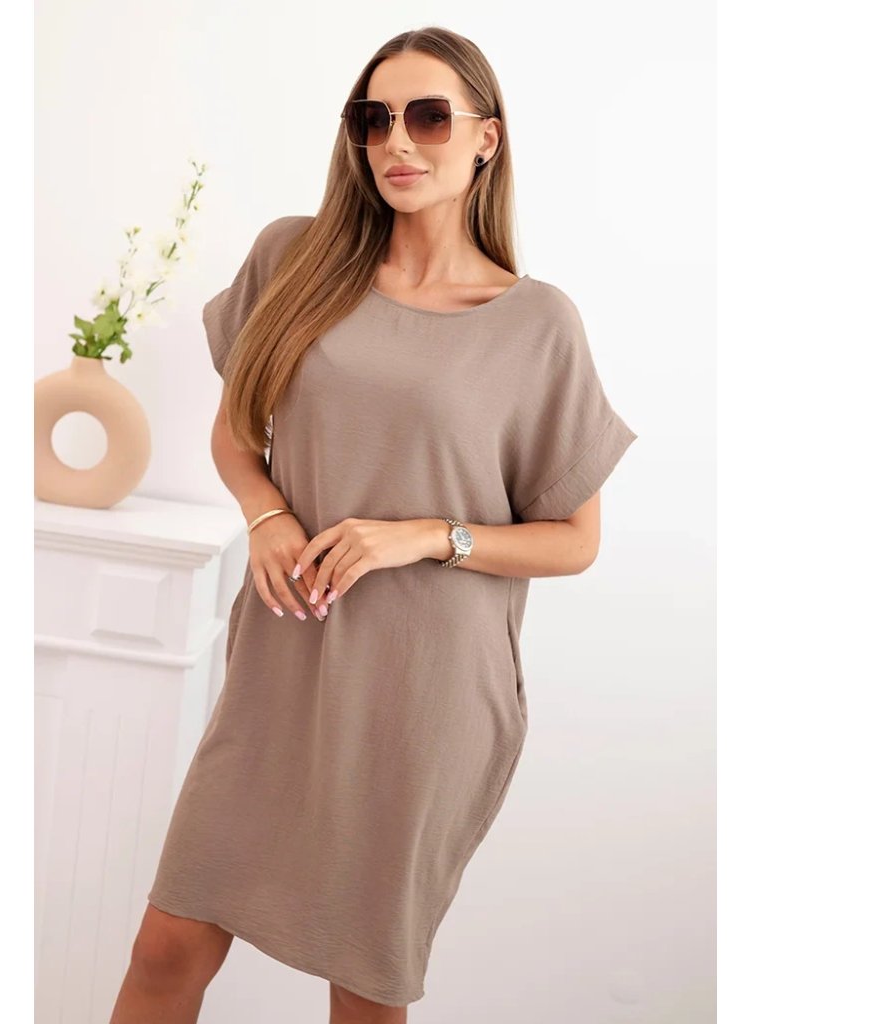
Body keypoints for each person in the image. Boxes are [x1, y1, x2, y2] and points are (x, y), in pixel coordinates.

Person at [110, 25, 637, 1024]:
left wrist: (428, 534)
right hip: (285, 661)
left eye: (429, 117)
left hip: (426, 687)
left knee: (364, 985)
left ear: (485, 138)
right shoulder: (294, 258)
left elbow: (575, 538)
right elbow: (236, 436)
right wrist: (267, 516)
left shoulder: (536, 324)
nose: (398, 140)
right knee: (166, 944)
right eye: (374, 117)